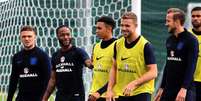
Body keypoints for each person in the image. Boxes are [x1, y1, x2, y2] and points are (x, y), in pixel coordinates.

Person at [106, 12, 158, 101]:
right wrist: (109, 90)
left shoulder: (145, 45)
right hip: (121, 92)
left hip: (141, 92)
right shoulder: (117, 44)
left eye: (127, 26)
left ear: (136, 25)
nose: (123, 28)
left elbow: (153, 72)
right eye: (122, 25)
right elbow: (114, 67)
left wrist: (134, 83)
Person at [154, 8, 199, 101]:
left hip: (185, 90)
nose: (166, 24)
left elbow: (191, 66)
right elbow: (168, 65)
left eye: (168, 21)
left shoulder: (191, 40)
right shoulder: (169, 40)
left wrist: (184, 89)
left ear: (177, 22)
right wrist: (162, 88)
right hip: (168, 90)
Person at [42, 25, 92, 101]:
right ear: (57, 36)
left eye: (68, 34)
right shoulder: (55, 56)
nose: (66, 37)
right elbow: (53, 80)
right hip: (60, 96)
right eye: (62, 35)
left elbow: (88, 62)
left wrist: (91, 64)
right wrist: (45, 98)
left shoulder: (78, 52)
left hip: (76, 96)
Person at [7, 26, 51, 101]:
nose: (26, 39)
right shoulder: (17, 57)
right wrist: (9, 99)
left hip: (37, 98)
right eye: (24, 36)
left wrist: (43, 98)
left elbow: (47, 79)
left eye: (29, 36)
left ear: (35, 37)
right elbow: (13, 79)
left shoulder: (42, 56)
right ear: (20, 38)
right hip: (21, 98)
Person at [88, 16, 116, 101]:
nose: (96, 31)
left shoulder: (118, 45)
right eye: (96, 28)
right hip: (94, 94)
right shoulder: (96, 46)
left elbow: (117, 74)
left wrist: (100, 92)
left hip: (109, 95)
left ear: (109, 29)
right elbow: (95, 66)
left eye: (99, 28)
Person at [189, 6, 201, 101]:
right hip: (190, 81)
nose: (195, 18)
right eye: (193, 16)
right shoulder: (186, 36)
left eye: (198, 16)